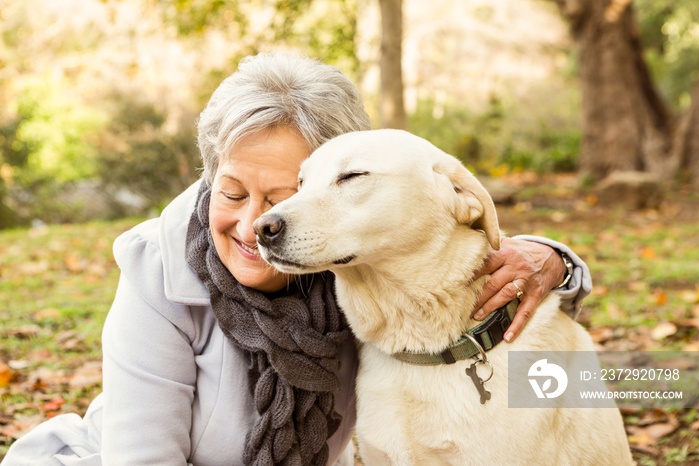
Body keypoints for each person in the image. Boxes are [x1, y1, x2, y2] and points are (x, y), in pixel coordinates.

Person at [2, 52, 591, 466]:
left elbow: (445, 261)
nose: (258, 223)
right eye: (231, 192)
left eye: (283, 198)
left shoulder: (354, 270)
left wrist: (557, 260)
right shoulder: (159, 273)